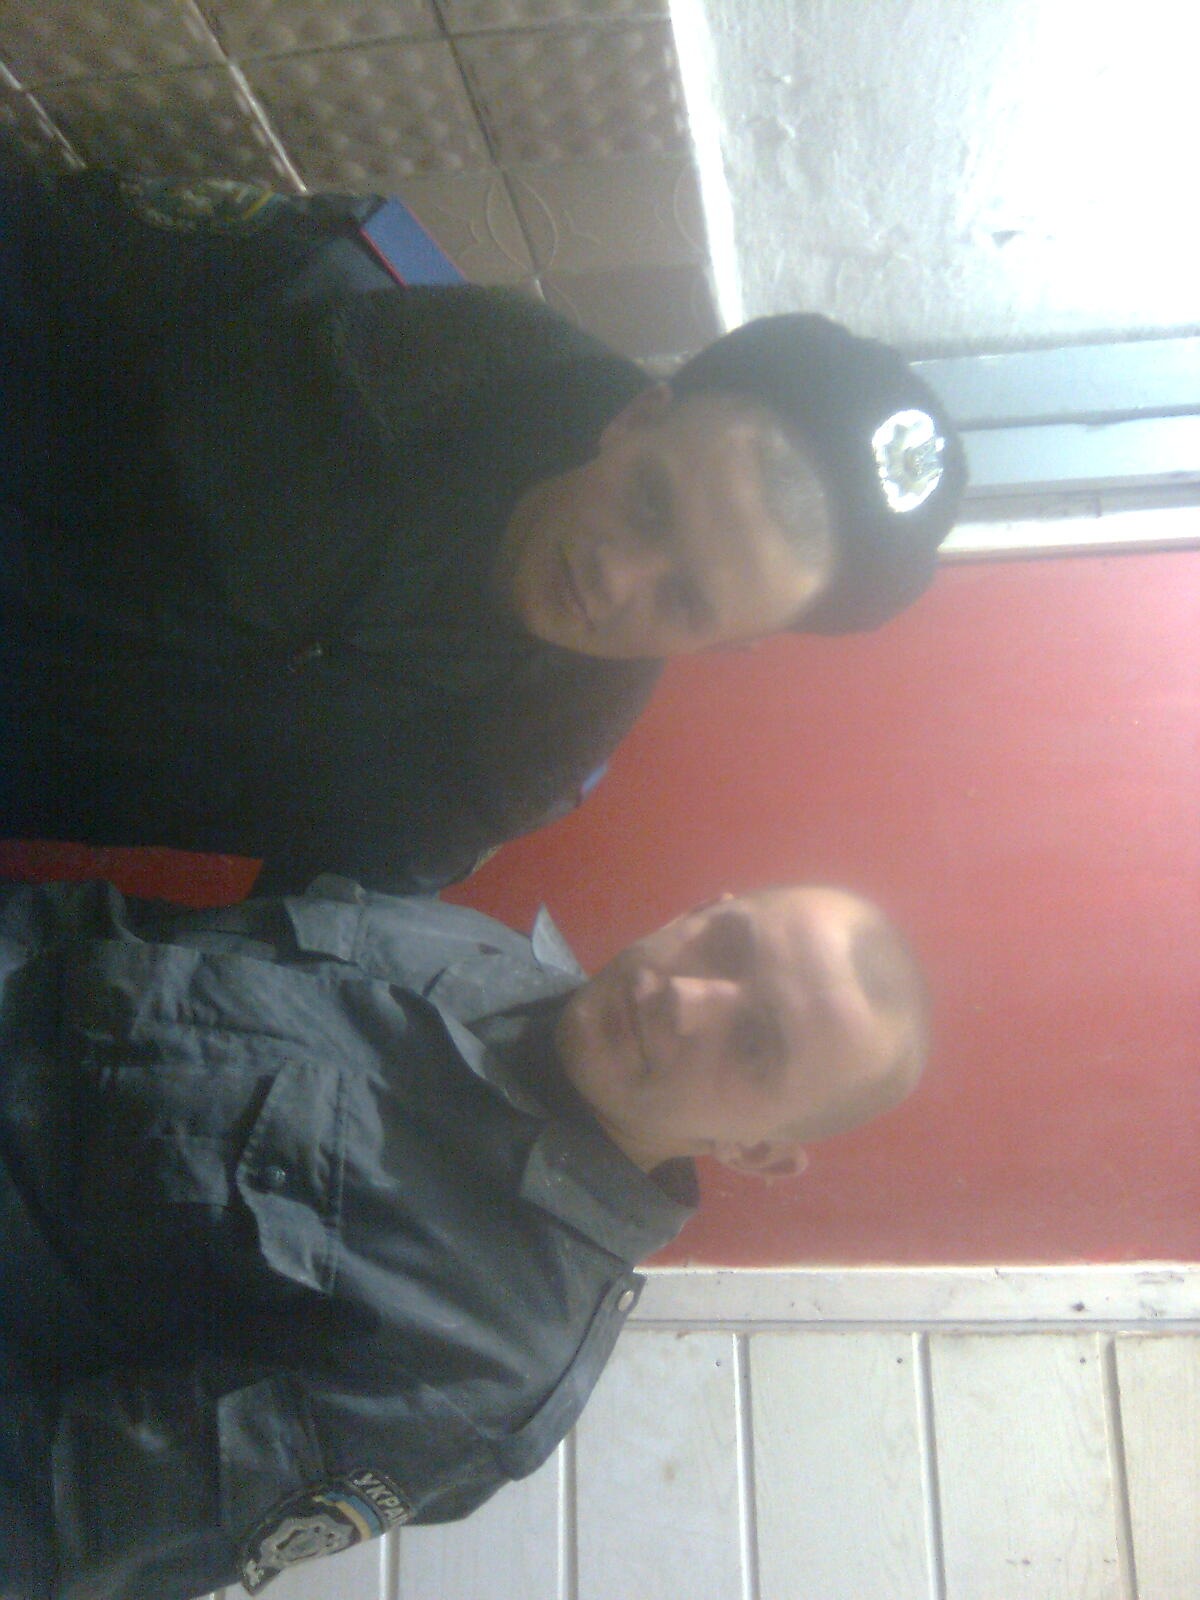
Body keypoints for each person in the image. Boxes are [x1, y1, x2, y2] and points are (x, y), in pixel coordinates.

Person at [0, 159, 966, 892]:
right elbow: (34, 248)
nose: (618, 578)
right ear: (638, 417)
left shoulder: (520, 762)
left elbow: (299, 935)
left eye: (685, 600)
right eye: (651, 503)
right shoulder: (341, 314)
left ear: (726, 646)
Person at [0, 871, 928, 1598]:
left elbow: (53, 1510)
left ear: (757, 1151)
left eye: (755, 1042)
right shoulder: (474, 942)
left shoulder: (481, 1366)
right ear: (701, 910)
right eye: (727, 944)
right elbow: (121, 940)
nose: (686, 997)